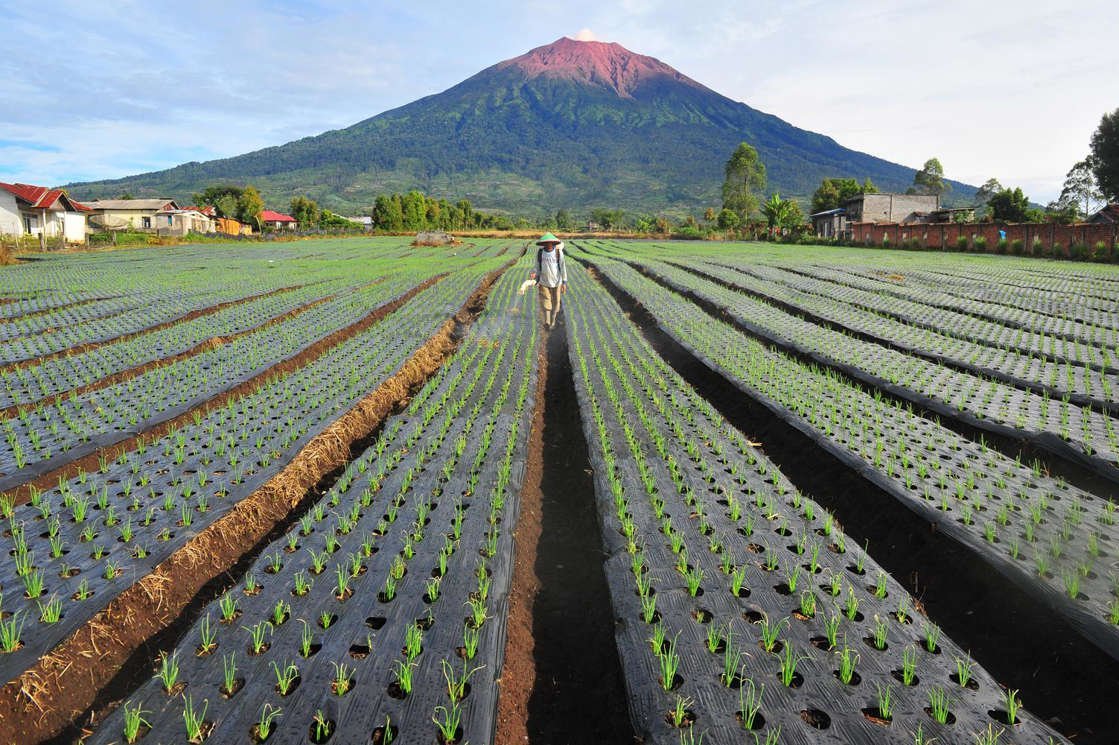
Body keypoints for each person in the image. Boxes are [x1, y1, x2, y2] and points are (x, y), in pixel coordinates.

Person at [520, 232, 567, 330]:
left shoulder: (558, 253)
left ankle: (553, 322)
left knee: (556, 302)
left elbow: (563, 268)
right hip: (543, 281)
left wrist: (564, 282)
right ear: (543, 244)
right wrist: (534, 273)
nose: (548, 244)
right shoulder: (540, 253)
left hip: (557, 282)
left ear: (553, 243)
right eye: (546, 243)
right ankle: (547, 322)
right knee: (546, 301)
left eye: (550, 243)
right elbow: (537, 266)